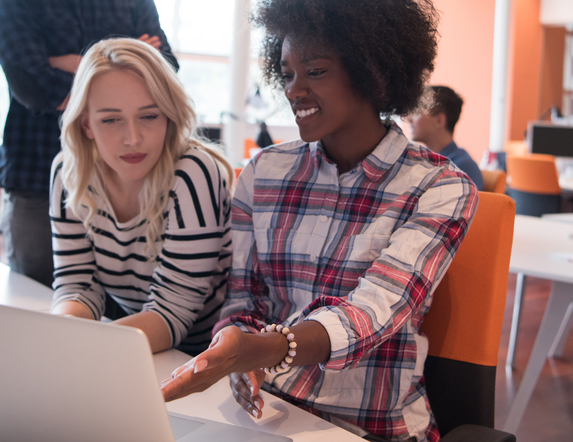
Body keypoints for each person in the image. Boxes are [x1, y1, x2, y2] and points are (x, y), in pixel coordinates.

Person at [160, 1, 478, 441]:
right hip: (268, 417)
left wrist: (260, 351)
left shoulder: (439, 187)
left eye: (315, 71)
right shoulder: (262, 174)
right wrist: (235, 349)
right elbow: (245, 301)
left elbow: (373, 312)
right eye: (288, 73)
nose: (294, 89)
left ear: (374, 70)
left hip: (372, 427)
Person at [49, 38, 232, 354]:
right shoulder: (68, 172)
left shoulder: (192, 173)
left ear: (169, 115)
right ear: (86, 124)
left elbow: (171, 313)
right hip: (138, 349)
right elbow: (77, 285)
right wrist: (57, 334)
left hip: (209, 362)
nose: (132, 138)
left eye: (149, 116)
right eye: (110, 119)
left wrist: (76, 350)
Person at [0, 0, 177, 287]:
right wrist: (123, 64)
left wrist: (63, 62)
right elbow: (34, 86)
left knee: (119, 308)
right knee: (34, 302)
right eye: (106, 117)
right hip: (35, 174)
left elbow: (165, 70)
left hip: (127, 184)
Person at [409, 85, 485, 190]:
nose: (409, 119)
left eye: (417, 112)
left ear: (439, 120)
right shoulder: (425, 161)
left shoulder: (461, 169)